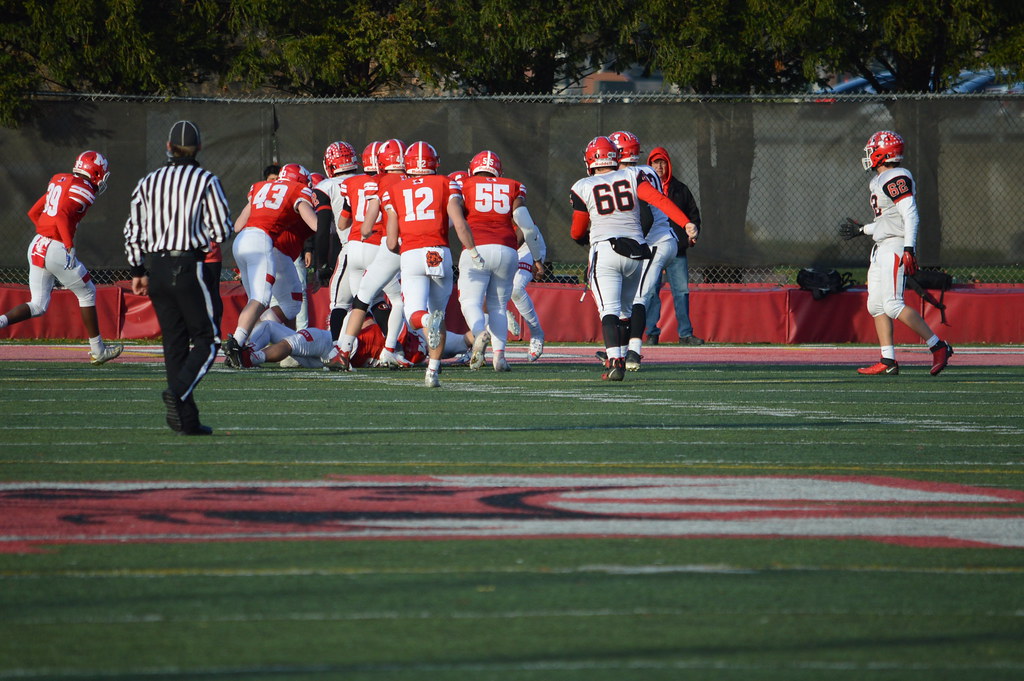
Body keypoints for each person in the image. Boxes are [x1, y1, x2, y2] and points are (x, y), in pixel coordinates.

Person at [124, 120, 232, 434]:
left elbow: (133, 230)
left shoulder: (148, 181)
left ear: (168, 147)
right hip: (188, 265)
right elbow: (222, 229)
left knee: (173, 344)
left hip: (155, 268)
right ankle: (178, 392)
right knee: (208, 340)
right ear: (199, 147)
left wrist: (137, 270)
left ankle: (186, 420)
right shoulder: (206, 179)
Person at [569, 136, 696, 381]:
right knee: (628, 308)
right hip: (637, 251)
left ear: (590, 160)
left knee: (609, 309)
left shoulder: (583, 185)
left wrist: (582, 238)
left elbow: (577, 230)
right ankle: (627, 354)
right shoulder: (632, 176)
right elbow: (658, 200)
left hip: (606, 249)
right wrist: (686, 222)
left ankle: (615, 359)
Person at [839, 130, 953, 376]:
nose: (868, 155)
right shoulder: (880, 180)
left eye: (872, 150)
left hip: (895, 246)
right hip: (881, 246)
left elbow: (909, 213)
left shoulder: (895, 176)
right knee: (875, 305)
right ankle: (888, 359)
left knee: (892, 304)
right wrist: (862, 229)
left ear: (883, 153)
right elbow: (886, 221)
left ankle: (938, 346)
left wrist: (909, 247)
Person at [0, 151, 124, 365]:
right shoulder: (85, 189)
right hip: (56, 247)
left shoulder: (60, 179)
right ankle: (98, 350)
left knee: (38, 304)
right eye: (101, 173)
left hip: (38, 244)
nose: (102, 178)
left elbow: (33, 212)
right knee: (87, 293)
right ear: (94, 172)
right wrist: (67, 244)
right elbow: (61, 215)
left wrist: (45, 233)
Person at [384, 141, 480, 387]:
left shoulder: (396, 189)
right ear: (434, 163)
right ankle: (433, 372)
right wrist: (472, 251)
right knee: (440, 314)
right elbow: (459, 224)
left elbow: (392, 241)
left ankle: (427, 322)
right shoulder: (447, 183)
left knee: (415, 313)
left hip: (412, 252)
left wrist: (404, 248)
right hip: (438, 251)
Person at [607, 130, 698, 371]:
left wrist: (684, 222)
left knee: (638, 296)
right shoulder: (644, 171)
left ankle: (633, 353)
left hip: (655, 243)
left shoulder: (632, 175)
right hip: (661, 240)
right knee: (633, 297)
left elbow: (651, 208)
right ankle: (623, 349)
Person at [223, 162, 318, 367]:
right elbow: (315, 224)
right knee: (261, 299)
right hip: (262, 241)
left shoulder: (260, 186)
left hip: (241, 241)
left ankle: (247, 346)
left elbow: (238, 225)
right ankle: (238, 343)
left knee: (255, 300)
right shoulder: (297, 189)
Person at [458, 150, 544, 372]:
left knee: (470, 302)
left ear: (473, 169)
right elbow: (526, 225)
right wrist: (537, 258)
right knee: (498, 306)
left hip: (476, 246)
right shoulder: (512, 185)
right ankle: (499, 357)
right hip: (507, 249)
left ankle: (479, 335)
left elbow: (455, 218)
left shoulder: (464, 185)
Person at [328, 139, 409, 371]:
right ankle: (392, 349)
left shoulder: (360, 183)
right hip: (388, 246)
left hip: (354, 247)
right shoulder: (407, 182)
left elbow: (346, 223)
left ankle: (342, 349)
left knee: (361, 300)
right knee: (397, 300)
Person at [645, 145, 703, 345]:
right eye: (655, 162)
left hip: (677, 250)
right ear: (649, 165)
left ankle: (685, 334)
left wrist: (692, 235)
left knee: (682, 291)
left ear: (668, 164)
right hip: (654, 250)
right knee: (651, 291)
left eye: (662, 162)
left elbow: (694, 217)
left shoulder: (681, 189)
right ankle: (651, 333)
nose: (659, 166)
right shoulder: (645, 188)